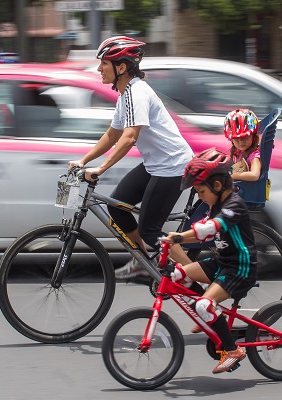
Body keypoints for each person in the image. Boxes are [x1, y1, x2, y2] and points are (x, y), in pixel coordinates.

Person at [67, 36, 194, 279]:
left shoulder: (137, 93)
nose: (99, 69)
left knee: (150, 230)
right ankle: (144, 261)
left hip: (172, 166)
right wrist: (84, 161)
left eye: (104, 63)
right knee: (118, 205)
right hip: (155, 165)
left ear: (121, 67)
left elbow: (129, 138)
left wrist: (100, 169)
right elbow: (113, 134)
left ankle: (193, 276)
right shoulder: (125, 94)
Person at [163, 148, 257, 374]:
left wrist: (178, 237)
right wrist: (172, 240)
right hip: (222, 262)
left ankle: (232, 350)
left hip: (240, 269)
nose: (199, 196)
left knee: (203, 304)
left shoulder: (234, 205)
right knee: (178, 275)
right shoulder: (215, 205)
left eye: (200, 191)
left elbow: (210, 228)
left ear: (216, 186)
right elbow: (200, 233)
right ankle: (210, 316)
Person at [224, 108, 261, 183]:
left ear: (253, 137)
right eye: (237, 139)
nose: (241, 141)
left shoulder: (254, 156)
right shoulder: (238, 152)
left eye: (245, 137)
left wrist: (232, 175)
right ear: (231, 140)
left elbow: (255, 175)